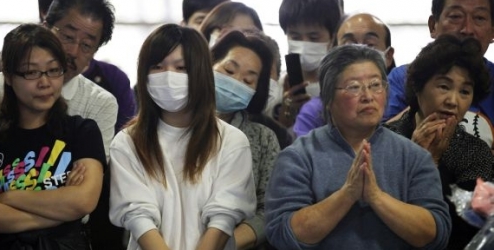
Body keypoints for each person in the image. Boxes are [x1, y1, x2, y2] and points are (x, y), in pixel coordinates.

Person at [265, 44, 451, 249]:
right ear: (328, 99)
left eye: (375, 85)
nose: (368, 96)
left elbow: (435, 234)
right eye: (354, 87)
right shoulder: (298, 156)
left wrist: (376, 197)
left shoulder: (414, 156)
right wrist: (348, 194)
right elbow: (283, 233)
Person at [108, 24, 256, 250]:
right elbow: (138, 216)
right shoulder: (128, 142)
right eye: (157, 66)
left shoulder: (232, 141)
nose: (168, 76)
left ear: (200, 72)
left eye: (181, 67)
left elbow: (223, 217)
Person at [0, 23, 105, 249]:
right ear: (8, 76)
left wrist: (10, 197)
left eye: (54, 70)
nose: (45, 82)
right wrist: (60, 211)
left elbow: (84, 200)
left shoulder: (82, 131)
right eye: (32, 72)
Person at [385, 35, 494, 250]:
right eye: (444, 86)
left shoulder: (475, 151)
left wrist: (429, 163)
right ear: (418, 88)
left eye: (464, 91)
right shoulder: (385, 139)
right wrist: (416, 157)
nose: (453, 101)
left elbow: (466, 231)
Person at [385, 0, 494, 150]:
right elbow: (377, 141)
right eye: (456, 16)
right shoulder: (401, 78)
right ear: (433, 25)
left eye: (479, 18)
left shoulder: (476, 155)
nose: (467, 29)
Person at [211, 30, 280, 249]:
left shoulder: (263, 139)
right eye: (229, 70)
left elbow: (270, 208)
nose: (236, 82)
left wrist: (226, 244)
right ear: (208, 64)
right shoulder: (173, 124)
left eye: (248, 80)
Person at [293, 12, 397, 138]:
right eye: (349, 45)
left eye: (369, 45)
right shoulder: (315, 112)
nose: (359, 51)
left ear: (388, 55)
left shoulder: (401, 100)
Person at [40, 0, 135, 134]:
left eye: (86, 45)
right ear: (45, 30)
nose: (73, 52)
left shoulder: (101, 104)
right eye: (68, 37)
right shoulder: (2, 86)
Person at [271, 0, 343, 129]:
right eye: (295, 37)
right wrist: (287, 111)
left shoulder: (341, 86)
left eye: (314, 38)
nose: (304, 45)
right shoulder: (277, 85)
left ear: (332, 38)